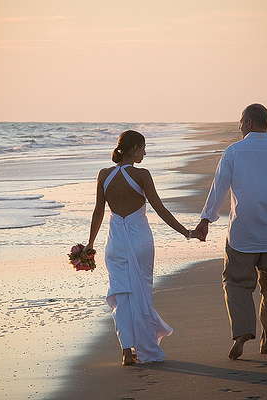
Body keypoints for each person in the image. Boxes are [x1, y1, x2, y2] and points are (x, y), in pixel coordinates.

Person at [195, 104, 267, 359]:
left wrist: (206, 219)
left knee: (235, 282)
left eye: (240, 122)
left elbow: (219, 188)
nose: (239, 127)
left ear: (248, 122)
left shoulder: (234, 152)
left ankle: (243, 331)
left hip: (242, 233)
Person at [83, 130, 203, 365]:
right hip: (140, 241)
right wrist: (188, 233)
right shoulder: (142, 175)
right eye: (144, 148)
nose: (145, 153)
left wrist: (90, 244)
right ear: (135, 148)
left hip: (115, 242)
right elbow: (160, 208)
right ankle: (145, 346)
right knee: (141, 294)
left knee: (122, 296)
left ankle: (127, 350)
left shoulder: (104, 175)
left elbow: (98, 212)